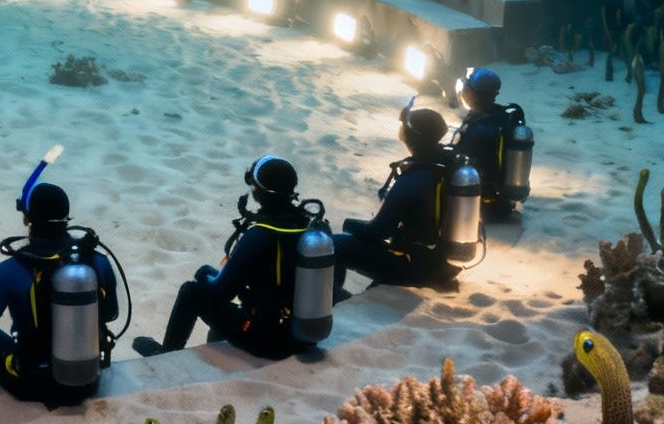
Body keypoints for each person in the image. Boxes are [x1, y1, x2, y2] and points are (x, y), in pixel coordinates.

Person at [0, 183, 119, 406]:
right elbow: (110, 313)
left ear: (29, 220)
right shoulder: (97, 262)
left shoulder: (10, 270)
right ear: (66, 217)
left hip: (32, 385)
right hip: (88, 382)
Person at [133, 155, 320, 360]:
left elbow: (221, 292)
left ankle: (165, 355)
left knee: (191, 291)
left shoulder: (260, 235)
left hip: (267, 340)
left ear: (258, 193)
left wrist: (204, 276)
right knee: (210, 276)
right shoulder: (311, 225)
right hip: (302, 334)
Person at [332, 107, 466, 289]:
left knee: (334, 244)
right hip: (443, 264)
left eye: (405, 126)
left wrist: (350, 224)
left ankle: (334, 298)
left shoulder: (414, 177)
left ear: (412, 136)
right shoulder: (448, 164)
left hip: (415, 268)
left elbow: (378, 232)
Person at [452, 68, 530, 219]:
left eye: (467, 88)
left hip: (479, 205)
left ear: (473, 93)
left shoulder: (481, 128)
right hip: (498, 201)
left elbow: (461, 162)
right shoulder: (499, 117)